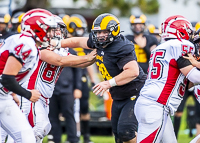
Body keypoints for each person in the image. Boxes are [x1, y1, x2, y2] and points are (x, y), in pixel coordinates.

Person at [53, 13, 147, 143]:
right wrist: (56, 43)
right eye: (98, 32)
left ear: (114, 30)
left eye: (104, 32)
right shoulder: (98, 41)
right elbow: (77, 41)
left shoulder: (122, 47)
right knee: (118, 136)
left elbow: (133, 71)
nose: (100, 35)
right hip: (119, 95)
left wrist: (108, 83)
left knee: (126, 132)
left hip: (135, 93)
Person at [2, 14, 96, 143]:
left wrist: (97, 52)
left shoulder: (59, 47)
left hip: (42, 96)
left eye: (59, 28)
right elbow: (60, 60)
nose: (58, 32)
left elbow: (78, 60)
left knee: (38, 130)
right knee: (35, 129)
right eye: (54, 28)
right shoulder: (37, 45)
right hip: (30, 93)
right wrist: (87, 57)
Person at [134, 15, 200, 143]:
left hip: (150, 103)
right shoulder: (182, 45)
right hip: (157, 105)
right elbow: (194, 77)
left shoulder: (160, 48)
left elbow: (184, 82)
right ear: (182, 31)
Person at [0, 8, 58, 143]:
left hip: (3, 95)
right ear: (37, 29)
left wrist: (12, 94)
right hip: (2, 94)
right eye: (48, 30)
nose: (51, 34)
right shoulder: (26, 45)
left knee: (27, 138)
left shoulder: (25, 42)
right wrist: (28, 94)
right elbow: (7, 77)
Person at [67, 14, 95, 143]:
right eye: (78, 28)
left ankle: (86, 136)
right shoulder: (66, 42)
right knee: (68, 109)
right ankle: (72, 136)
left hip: (81, 77)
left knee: (84, 107)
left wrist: (94, 80)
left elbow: (89, 63)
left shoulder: (84, 42)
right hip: (69, 78)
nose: (81, 31)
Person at [49, 48, 82, 143]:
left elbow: (77, 70)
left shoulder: (70, 51)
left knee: (69, 115)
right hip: (51, 89)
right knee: (53, 116)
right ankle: (56, 139)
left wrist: (77, 87)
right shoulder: (49, 51)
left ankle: (73, 139)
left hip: (67, 89)